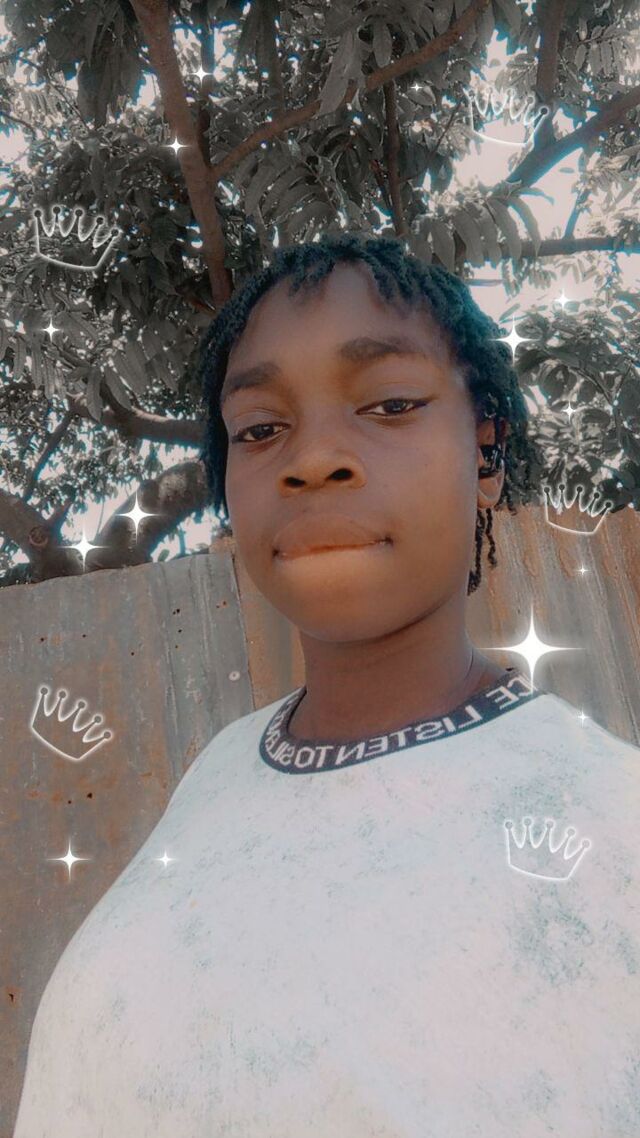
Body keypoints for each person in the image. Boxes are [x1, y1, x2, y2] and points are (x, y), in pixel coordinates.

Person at [14, 233, 640, 1136]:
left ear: (486, 454)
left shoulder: (610, 828)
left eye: (390, 404)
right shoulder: (220, 774)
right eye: (261, 429)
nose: (313, 459)